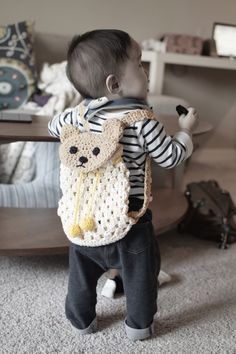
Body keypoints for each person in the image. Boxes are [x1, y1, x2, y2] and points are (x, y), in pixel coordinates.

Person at [48, 29, 198, 341]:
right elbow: (171, 157)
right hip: (130, 223)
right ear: (114, 83)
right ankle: (139, 326)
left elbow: (53, 126)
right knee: (141, 277)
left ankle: (81, 321)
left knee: (81, 277)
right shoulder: (143, 121)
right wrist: (186, 131)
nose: (145, 71)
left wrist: (76, 115)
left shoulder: (74, 116)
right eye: (140, 64)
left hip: (83, 224)